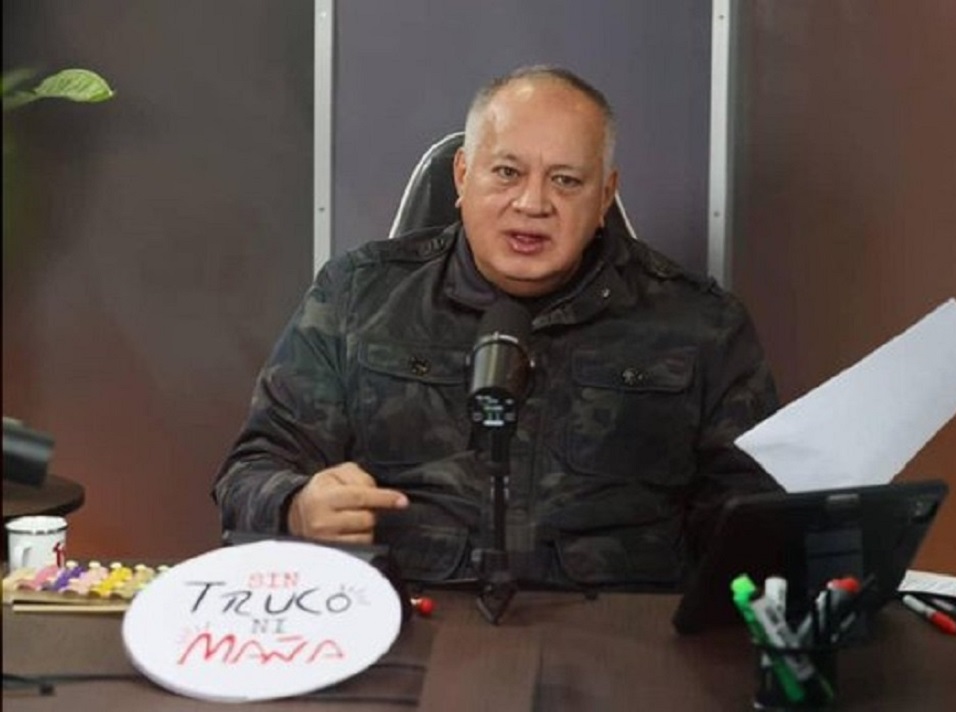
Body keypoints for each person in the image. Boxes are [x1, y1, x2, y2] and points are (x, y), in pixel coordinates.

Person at [213, 65, 780, 590]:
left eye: (566, 181)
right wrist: (296, 506)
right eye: (507, 173)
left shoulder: (700, 324)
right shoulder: (357, 298)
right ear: (463, 175)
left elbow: (754, 517)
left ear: (605, 195)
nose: (532, 203)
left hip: (622, 636)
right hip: (409, 622)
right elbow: (250, 472)